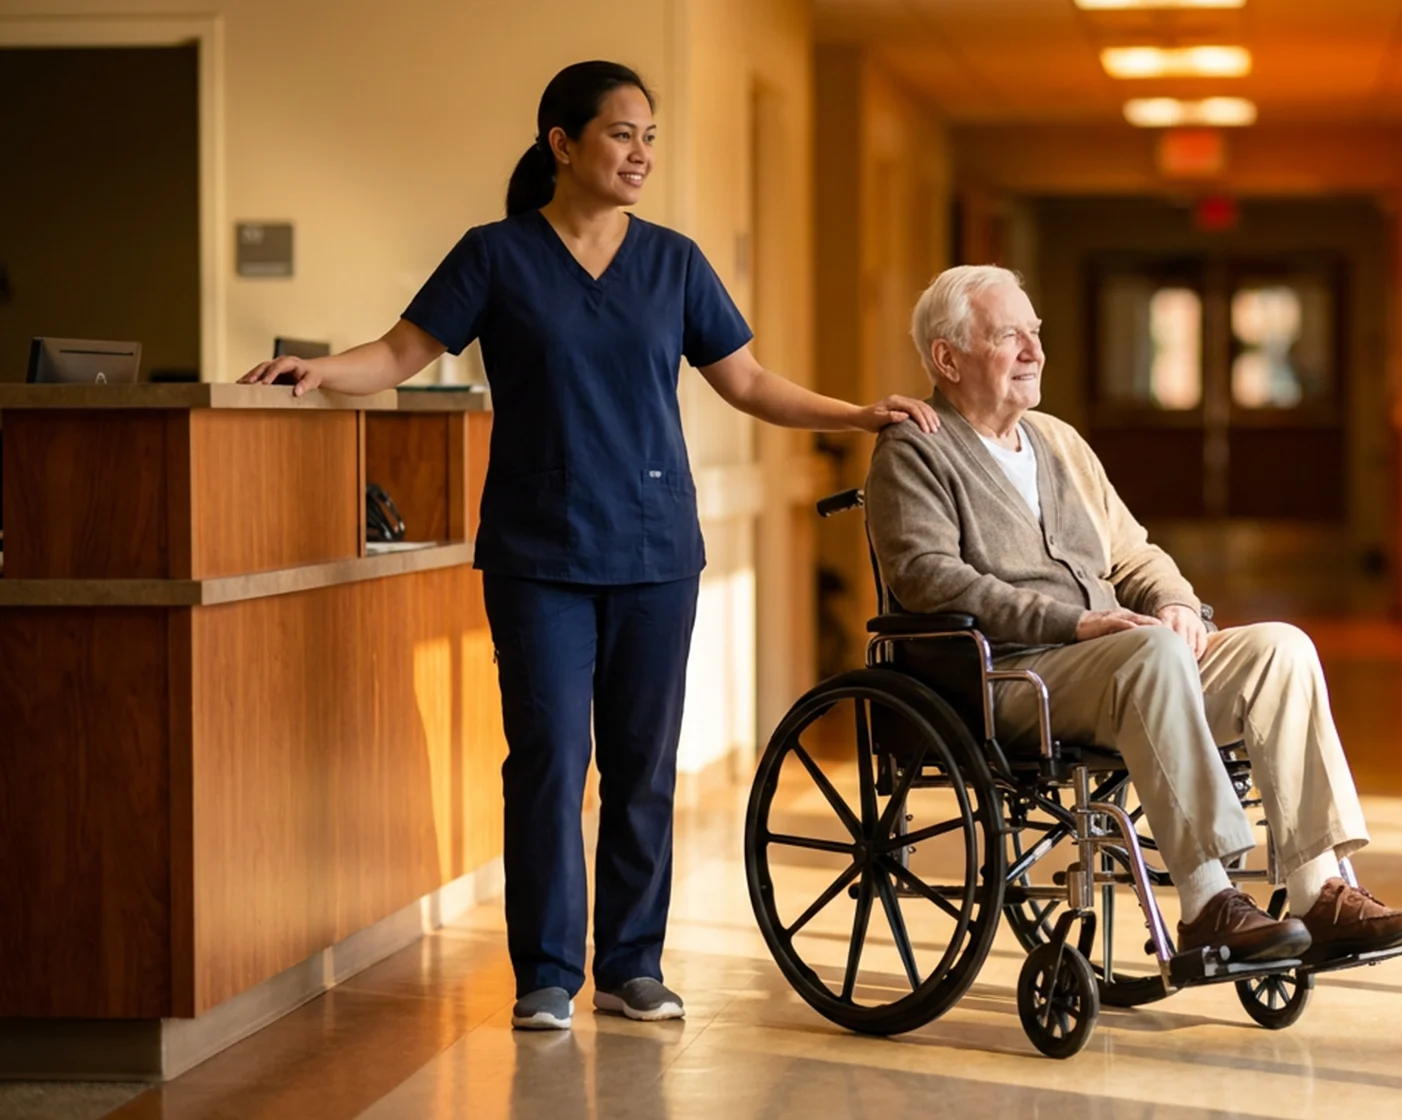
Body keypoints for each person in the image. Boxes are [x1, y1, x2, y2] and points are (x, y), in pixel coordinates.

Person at [240, 61, 938, 1031]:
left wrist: (860, 412)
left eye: (649, 135)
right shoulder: (494, 256)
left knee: (643, 766)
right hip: (538, 554)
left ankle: (631, 965)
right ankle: (546, 976)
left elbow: (746, 381)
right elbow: (401, 353)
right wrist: (318, 369)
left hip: (656, 551)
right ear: (561, 144)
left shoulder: (676, 263)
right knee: (548, 760)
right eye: (621, 134)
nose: (641, 153)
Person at [863, 265, 1402, 966]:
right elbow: (929, 578)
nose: (1033, 351)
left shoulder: (1059, 443)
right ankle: (1206, 902)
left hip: (1124, 659)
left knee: (1279, 649)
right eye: (1007, 335)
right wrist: (1072, 624)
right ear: (946, 357)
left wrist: (1173, 602)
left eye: (1035, 334)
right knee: (1151, 653)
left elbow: (1134, 551)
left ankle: (1320, 892)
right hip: (1012, 678)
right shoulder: (913, 449)